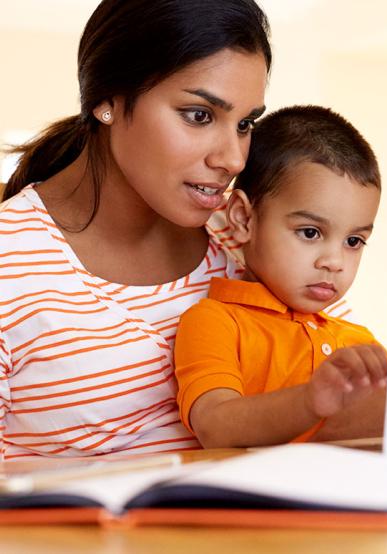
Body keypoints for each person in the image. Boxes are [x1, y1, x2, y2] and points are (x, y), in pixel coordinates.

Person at [0, 0, 272, 460]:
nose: (233, 159)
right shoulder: (10, 260)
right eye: (199, 115)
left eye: (245, 124)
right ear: (107, 100)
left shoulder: (249, 239)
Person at [175, 105, 387, 448]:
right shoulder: (215, 321)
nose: (334, 262)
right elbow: (215, 426)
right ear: (244, 219)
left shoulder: (358, 341)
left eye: (353, 241)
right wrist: (310, 400)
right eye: (309, 232)